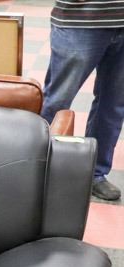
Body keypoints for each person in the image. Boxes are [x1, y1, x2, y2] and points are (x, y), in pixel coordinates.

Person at [41, 0, 124, 201]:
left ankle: (94, 173)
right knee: (57, 102)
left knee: (113, 105)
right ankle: (37, 169)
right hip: (80, 20)